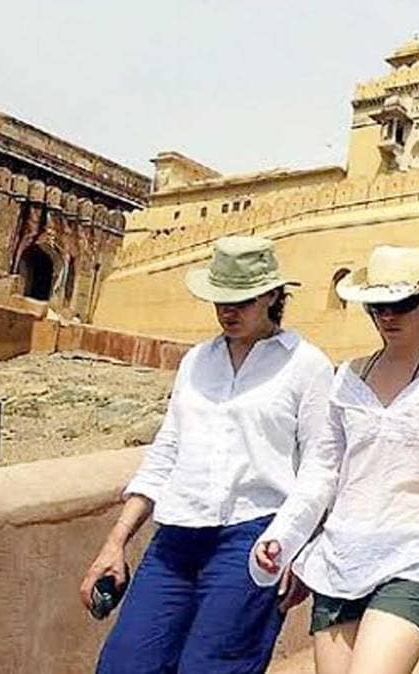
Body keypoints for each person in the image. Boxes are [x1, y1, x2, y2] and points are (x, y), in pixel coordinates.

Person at [250, 246, 419, 674]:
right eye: (377, 306)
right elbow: (321, 473)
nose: (388, 316)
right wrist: (285, 537)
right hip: (342, 556)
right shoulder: (347, 377)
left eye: (400, 304)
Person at [80, 236, 334, 673]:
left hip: (253, 536)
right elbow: (168, 449)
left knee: (214, 667)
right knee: (126, 662)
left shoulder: (307, 365)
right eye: (220, 300)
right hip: (177, 534)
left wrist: (295, 543)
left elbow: (320, 467)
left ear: (272, 296)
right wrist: (116, 541)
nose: (228, 311)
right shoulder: (198, 360)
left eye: (242, 300)